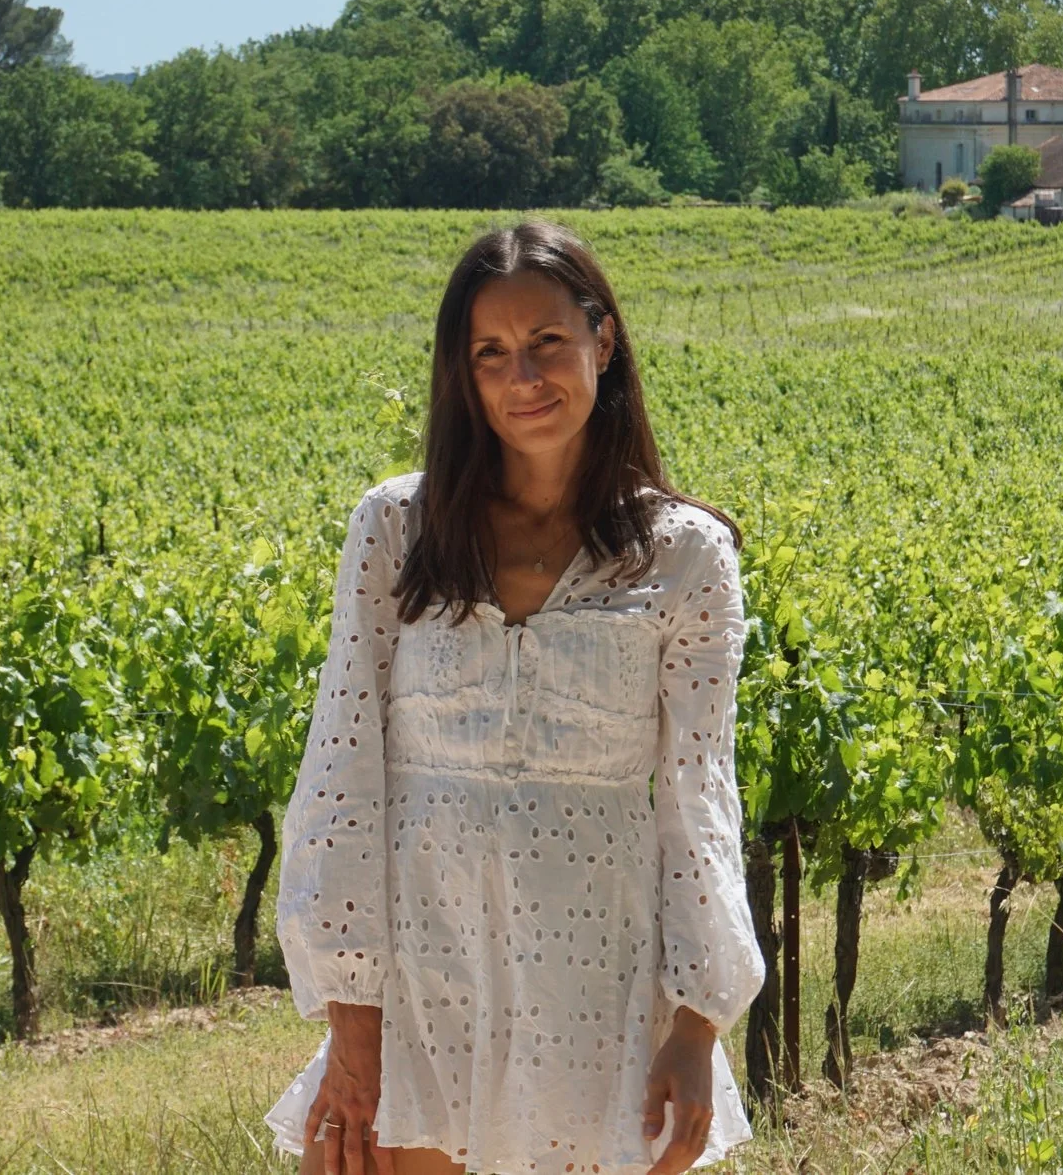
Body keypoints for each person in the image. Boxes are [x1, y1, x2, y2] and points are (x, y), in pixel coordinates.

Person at [265, 220, 763, 1175]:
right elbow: (340, 770)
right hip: (421, 988)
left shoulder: (689, 555)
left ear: (602, 341)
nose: (523, 377)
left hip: (599, 991)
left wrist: (699, 1026)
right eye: (490, 353)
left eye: (545, 343)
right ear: (464, 374)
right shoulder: (395, 529)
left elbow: (702, 801)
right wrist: (354, 1027)